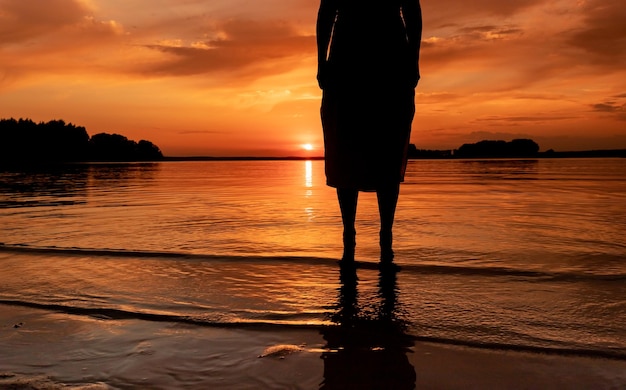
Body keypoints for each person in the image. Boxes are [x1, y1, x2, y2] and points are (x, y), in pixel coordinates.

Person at [316, 0, 422, 264]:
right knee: (345, 144)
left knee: (388, 144)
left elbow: (411, 10)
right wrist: (322, 62)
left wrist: (413, 58)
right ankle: (349, 234)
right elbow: (327, 11)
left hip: (388, 55)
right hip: (347, 57)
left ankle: (385, 236)